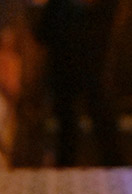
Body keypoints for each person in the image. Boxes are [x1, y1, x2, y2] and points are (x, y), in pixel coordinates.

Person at [35, 0, 124, 166]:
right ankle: (113, 167)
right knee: (81, 120)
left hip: (75, 64)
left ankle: (112, 167)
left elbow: (43, 33)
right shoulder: (62, 8)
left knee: (82, 120)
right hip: (82, 64)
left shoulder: (62, 8)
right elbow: (43, 32)